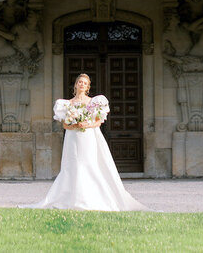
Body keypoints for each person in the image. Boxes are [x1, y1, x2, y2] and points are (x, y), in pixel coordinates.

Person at [25, 72, 145, 211]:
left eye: (85, 83)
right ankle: (69, 199)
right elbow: (64, 125)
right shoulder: (67, 104)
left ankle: (92, 199)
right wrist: (74, 124)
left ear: (88, 87)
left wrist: (85, 125)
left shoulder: (93, 102)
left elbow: (98, 122)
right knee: (72, 165)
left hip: (88, 137)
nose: (82, 84)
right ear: (76, 85)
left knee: (88, 164)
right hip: (72, 138)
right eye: (80, 82)